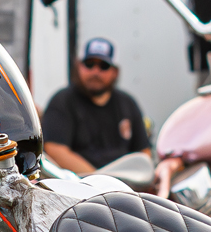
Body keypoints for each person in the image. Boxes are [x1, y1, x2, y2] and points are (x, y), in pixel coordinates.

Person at [42, 37, 151, 174]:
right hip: (79, 188)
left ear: (115, 72)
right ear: (79, 66)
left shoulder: (127, 103)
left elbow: (143, 153)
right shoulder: (62, 101)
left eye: (103, 66)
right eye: (89, 64)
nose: (95, 72)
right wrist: (99, 183)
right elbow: (55, 150)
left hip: (125, 188)